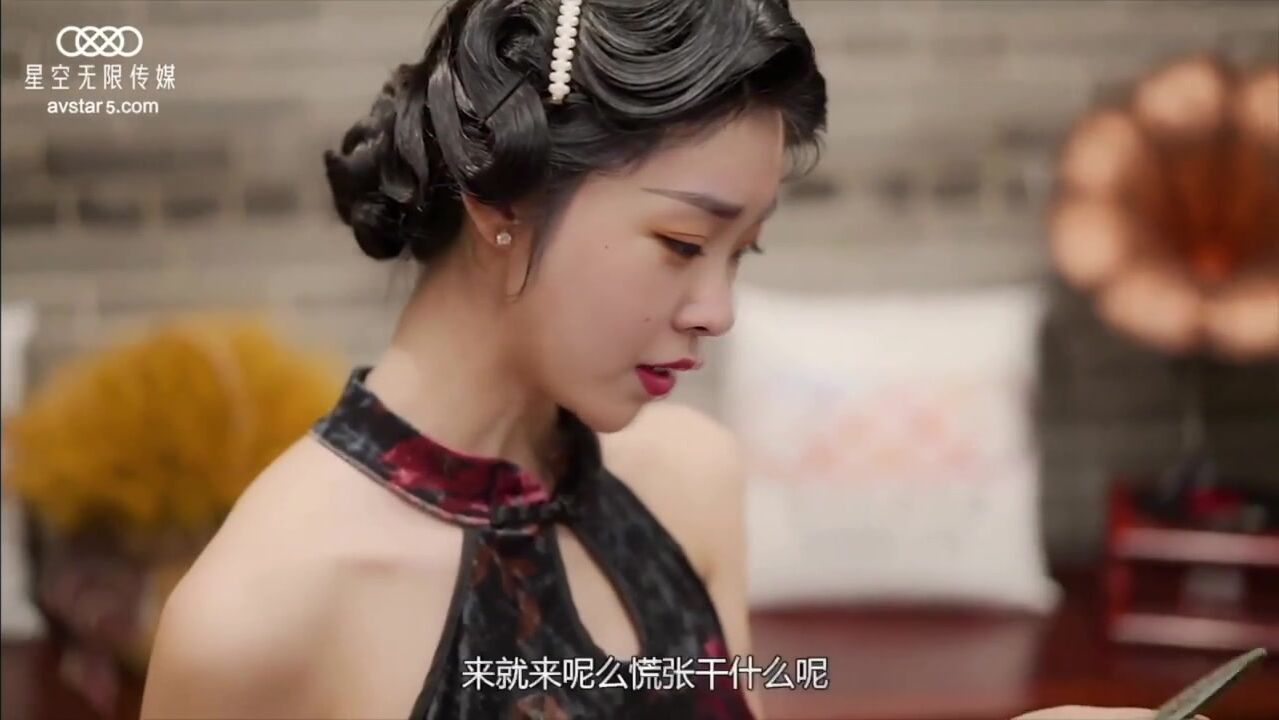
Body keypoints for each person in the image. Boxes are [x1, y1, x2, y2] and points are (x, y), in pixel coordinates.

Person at [139, 1, 1178, 718]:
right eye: (683, 244)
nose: (719, 312)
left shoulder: (688, 480)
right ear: (502, 199)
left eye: (741, 253)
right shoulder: (260, 616)